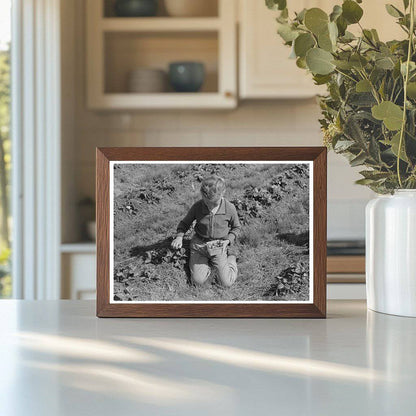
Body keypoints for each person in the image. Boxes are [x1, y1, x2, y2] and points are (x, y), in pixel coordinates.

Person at [171, 175, 241, 287]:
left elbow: (236, 227)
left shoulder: (230, 208)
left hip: (219, 245)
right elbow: (185, 223)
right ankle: (209, 266)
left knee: (226, 283)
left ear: (223, 193)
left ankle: (231, 258)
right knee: (197, 281)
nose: (210, 206)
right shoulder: (198, 206)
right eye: (207, 202)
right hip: (199, 246)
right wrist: (179, 236)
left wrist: (228, 241)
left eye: (214, 202)